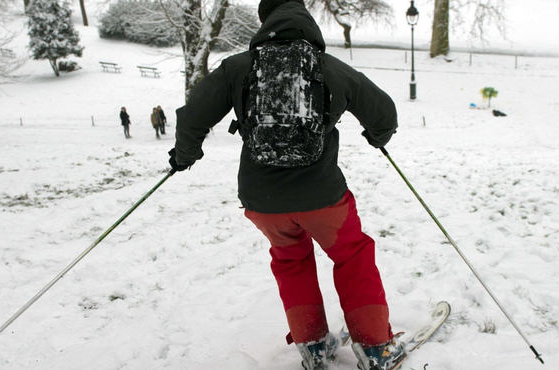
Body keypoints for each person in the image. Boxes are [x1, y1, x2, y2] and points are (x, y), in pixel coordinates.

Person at [168, 1, 402, 369]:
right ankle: (375, 347)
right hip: (323, 198)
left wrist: (184, 157)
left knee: (291, 261)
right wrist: (378, 135)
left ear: (265, 23)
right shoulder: (330, 68)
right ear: (308, 22)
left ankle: (312, 345)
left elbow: (192, 115)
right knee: (352, 255)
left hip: (263, 202)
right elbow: (384, 111)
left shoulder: (238, 68)